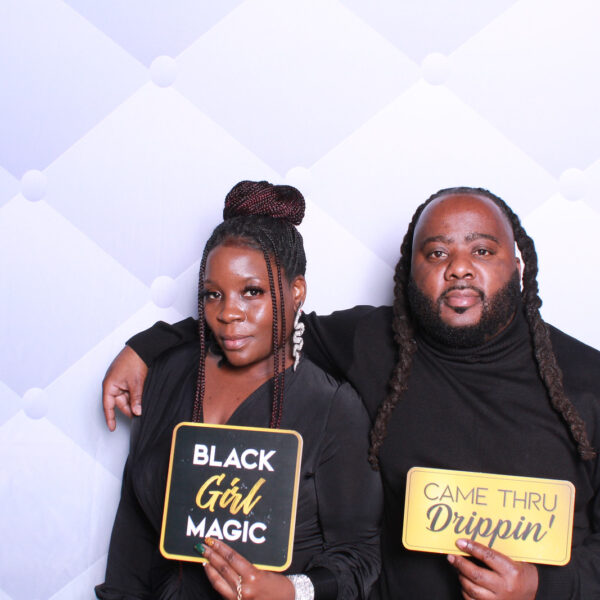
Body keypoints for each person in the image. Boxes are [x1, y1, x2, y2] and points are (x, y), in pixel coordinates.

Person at [102, 187, 600, 599]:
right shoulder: (371, 342)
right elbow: (259, 322)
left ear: (517, 263)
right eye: (437, 253)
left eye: (482, 250)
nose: (459, 268)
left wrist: (541, 587)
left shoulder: (588, 380)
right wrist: (148, 347)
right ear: (410, 269)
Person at [96, 181, 382, 600]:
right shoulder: (168, 375)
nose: (228, 313)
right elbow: (133, 541)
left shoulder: (331, 406)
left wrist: (290, 590)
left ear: (296, 292)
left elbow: (359, 556)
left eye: (252, 292)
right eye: (213, 294)